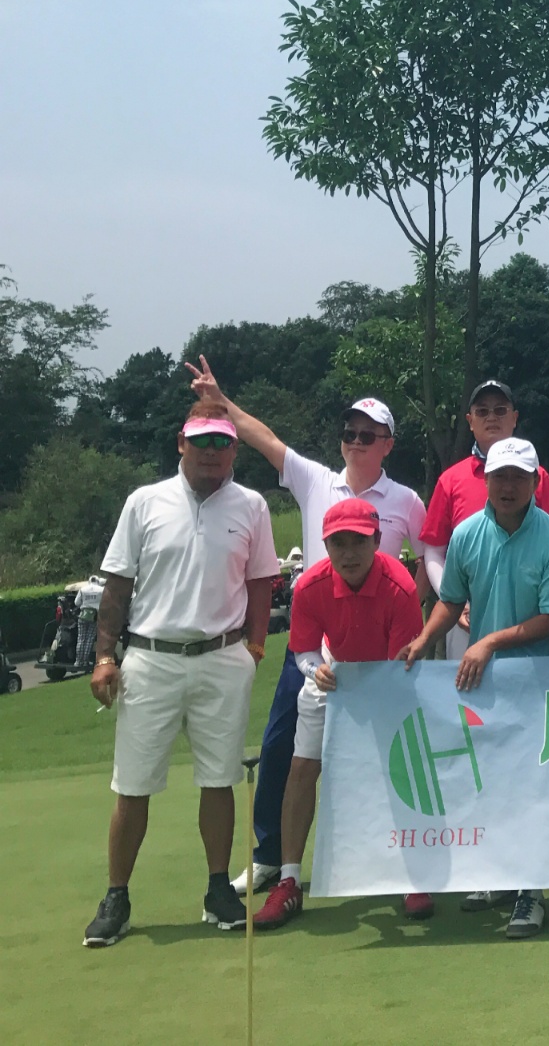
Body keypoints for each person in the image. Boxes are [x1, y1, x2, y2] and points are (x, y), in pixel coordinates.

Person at [183, 357, 426, 898]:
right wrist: (221, 402)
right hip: (314, 646)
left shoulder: (405, 500)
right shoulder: (317, 478)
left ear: (387, 444)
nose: (356, 441)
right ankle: (272, 858)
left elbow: (430, 556)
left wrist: (428, 606)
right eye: (349, 433)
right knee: (280, 749)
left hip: (378, 652)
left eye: (368, 435)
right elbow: (265, 439)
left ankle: (398, 863)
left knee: (387, 753)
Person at [84, 404, 280, 948]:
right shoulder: (144, 502)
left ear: (234, 449)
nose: (211, 452)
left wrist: (255, 647)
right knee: (133, 784)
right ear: (181, 443)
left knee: (219, 779)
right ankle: (117, 897)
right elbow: (117, 585)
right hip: (152, 657)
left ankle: (218, 889)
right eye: (202, 442)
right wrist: (104, 657)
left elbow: (261, 581)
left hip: (222, 656)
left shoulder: (252, 505)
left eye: (221, 443)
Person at [397, 437, 549, 940]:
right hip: (484, 683)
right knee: (491, 784)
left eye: (518, 477)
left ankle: (530, 893)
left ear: (535, 482)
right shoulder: (467, 534)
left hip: (536, 683)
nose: (508, 486)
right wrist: (425, 638)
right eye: (499, 477)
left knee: (531, 789)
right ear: (488, 481)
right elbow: (451, 600)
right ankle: (499, 874)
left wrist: (489, 641)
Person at [250, 499, 426, 928]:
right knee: (302, 768)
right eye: (338, 543)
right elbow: (303, 651)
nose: (348, 554)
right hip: (332, 674)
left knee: (396, 768)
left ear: (377, 541)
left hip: (387, 677)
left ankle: (411, 874)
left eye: (358, 542)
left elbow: (396, 665)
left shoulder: (401, 586)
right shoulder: (310, 585)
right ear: (326, 545)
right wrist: (317, 671)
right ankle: (289, 880)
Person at [421, 380, 549, 659]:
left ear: (514, 418)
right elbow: (435, 549)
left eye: (500, 410)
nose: (491, 418)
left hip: (532, 640)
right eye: (483, 411)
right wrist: (456, 601)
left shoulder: (541, 480)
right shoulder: (450, 480)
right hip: (464, 615)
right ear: (470, 421)